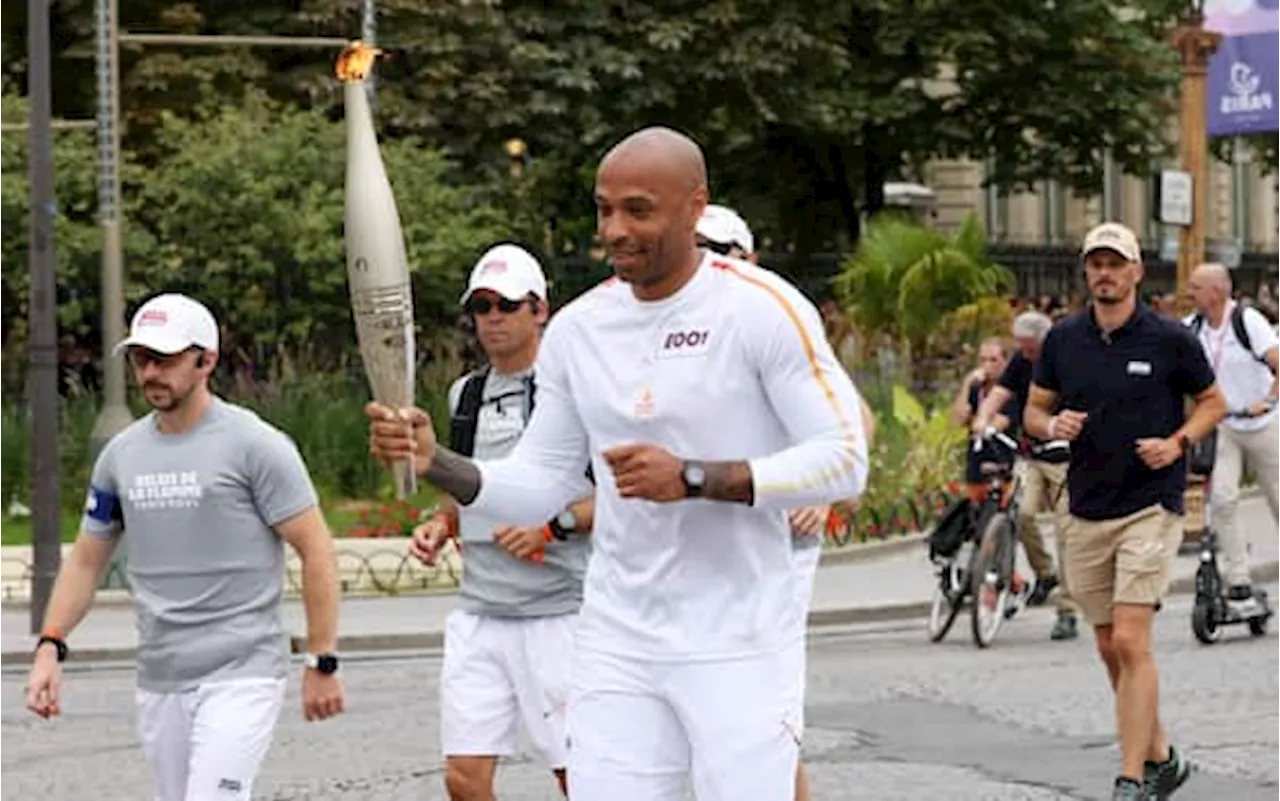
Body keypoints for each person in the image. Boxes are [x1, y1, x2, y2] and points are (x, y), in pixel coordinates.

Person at [368, 126, 870, 801]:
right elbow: (541, 481)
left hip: (738, 637)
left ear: (695, 206)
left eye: (639, 209)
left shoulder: (761, 309)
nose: (615, 229)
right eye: (604, 209)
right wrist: (438, 462)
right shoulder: (579, 329)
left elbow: (844, 460)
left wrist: (694, 478)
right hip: (617, 635)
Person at [24, 293, 345, 801]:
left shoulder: (256, 446)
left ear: (206, 361)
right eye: (141, 359)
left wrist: (321, 658)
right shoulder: (121, 455)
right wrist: (50, 645)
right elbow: (87, 560)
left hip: (242, 673)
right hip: (161, 677)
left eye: (165, 359)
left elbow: (317, 550)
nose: (150, 372)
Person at [1023, 223, 1226, 801]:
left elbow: (1213, 402)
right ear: (1087, 273)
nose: (1106, 274)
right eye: (1097, 264)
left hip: (1150, 505)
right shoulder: (1064, 340)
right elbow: (1035, 413)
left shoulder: (1167, 339)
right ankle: (1161, 756)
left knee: (1133, 641)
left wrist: (1178, 443)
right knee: (1108, 642)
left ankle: (1131, 778)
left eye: (1117, 264)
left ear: (1137, 272)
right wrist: (1051, 425)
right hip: (1086, 506)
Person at [696, 202, 879, 801]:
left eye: (721, 252)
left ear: (747, 258)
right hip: (705, 548)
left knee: (760, 712)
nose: (710, 264)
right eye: (699, 250)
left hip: (778, 545)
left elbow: (859, 425)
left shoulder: (770, 323)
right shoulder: (676, 336)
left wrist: (823, 496)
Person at [412, 243, 594, 800]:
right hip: (480, 613)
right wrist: (440, 523)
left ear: (540, 310)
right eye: (482, 306)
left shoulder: (574, 390)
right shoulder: (465, 394)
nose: (492, 318)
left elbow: (619, 497)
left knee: (580, 776)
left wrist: (551, 527)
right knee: (464, 780)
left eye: (506, 305)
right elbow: (473, 486)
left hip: (560, 613)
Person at [971, 310, 1080, 641]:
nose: (1024, 351)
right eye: (1020, 345)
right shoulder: (1021, 361)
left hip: (1065, 459)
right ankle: (1045, 574)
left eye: (1029, 346)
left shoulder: (1066, 359)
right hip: (1030, 455)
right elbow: (1000, 394)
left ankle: (1067, 611)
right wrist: (983, 418)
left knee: (1066, 533)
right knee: (1022, 515)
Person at [1185, 262, 1280, 607]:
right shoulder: (1192, 327)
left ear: (1217, 291)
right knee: (1222, 500)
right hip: (1223, 424)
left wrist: (1268, 400)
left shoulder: (1246, 321)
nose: (1188, 293)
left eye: (1195, 287)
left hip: (1264, 425)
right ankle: (1238, 577)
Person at [952, 337, 1017, 503]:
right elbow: (958, 419)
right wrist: (967, 385)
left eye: (993, 360)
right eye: (983, 360)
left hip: (1001, 460)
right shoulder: (976, 389)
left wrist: (976, 419)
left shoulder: (1012, 393)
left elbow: (997, 423)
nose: (988, 365)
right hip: (976, 464)